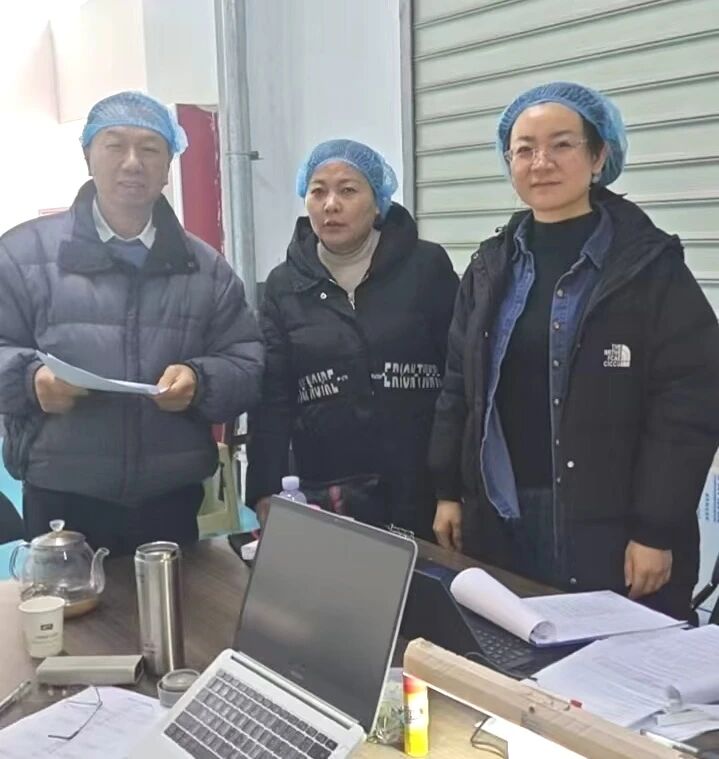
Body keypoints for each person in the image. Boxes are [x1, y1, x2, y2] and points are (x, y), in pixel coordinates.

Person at [429, 81, 719, 619]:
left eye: (561, 144)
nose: (541, 163)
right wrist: (448, 490)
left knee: (613, 662)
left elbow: (689, 405)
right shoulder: (490, 268)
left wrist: (655, 530)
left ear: (599, 155)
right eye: (524, 149)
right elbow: (458, 388)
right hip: (503, 516)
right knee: (513, 654)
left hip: (612, 527)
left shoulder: (648, 268)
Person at [0, 91, 264, 555]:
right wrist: (30, 381)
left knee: (171, 600)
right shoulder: (23, 256)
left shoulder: (206, 269)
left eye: (149, 149)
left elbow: (246, 363)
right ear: (88, 155)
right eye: (115, 145)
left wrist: (200, 381)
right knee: (69, 604)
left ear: (167, 167)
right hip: (61, 495)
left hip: (170, 497)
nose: (132, 163)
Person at [246, 139, 458, 538]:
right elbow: (273, 396)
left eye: (347, 190)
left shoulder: (426, 266)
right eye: (318, 191)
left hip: (419, 481)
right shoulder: (284, 284)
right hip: (327, 486)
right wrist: (264, 489)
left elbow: (457, 378)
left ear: (378, 202)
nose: (331, 205)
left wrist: (454, 488)